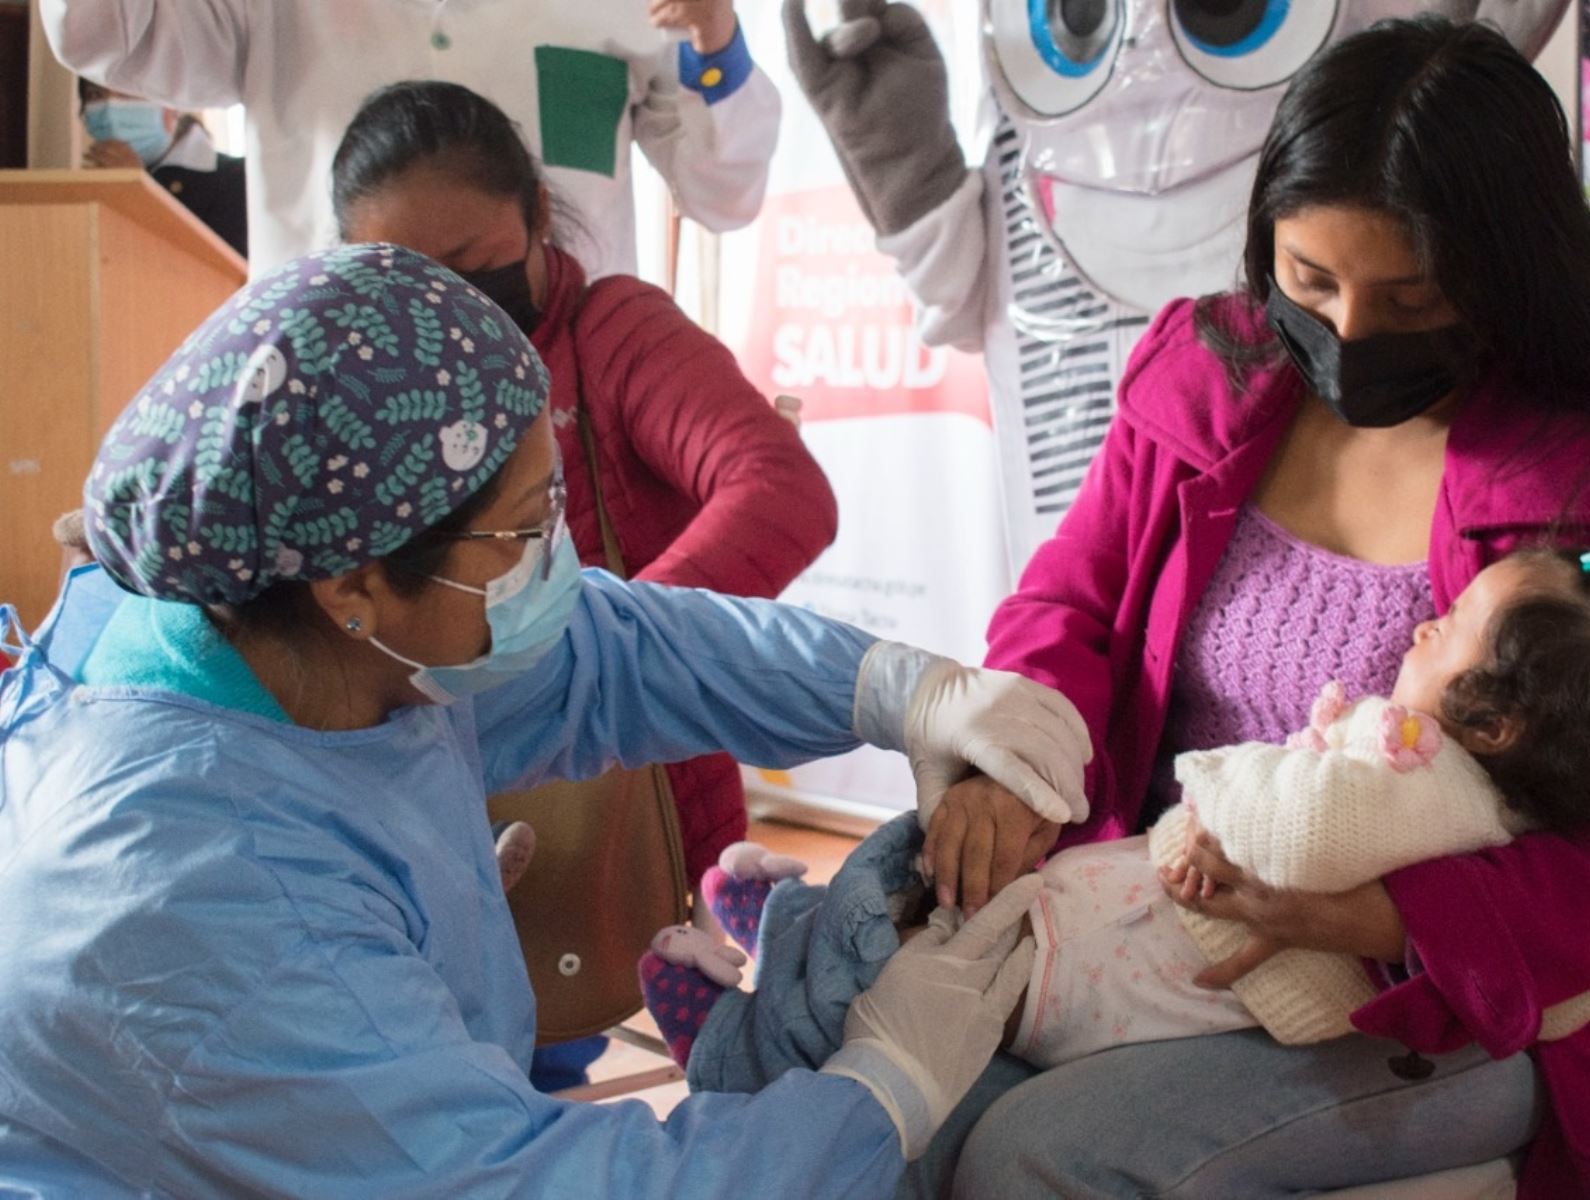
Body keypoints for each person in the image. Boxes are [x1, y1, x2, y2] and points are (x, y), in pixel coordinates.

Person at [0, 243, 1092, 1196]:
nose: (558, 564)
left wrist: (900, 690)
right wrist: (877, 1096)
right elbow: (520, 1186)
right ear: (356, 590)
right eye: (524, 533)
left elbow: (611, 657)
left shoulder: (296, 621)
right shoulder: (198, 899)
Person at [908, 16, 1590, 1199]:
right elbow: (1075, 603)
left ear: (1506, 274)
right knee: (916, 1101)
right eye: (1312, 281)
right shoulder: (1209, 373)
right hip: (1171, 932)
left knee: (1029, 1154)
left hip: (1446, 997)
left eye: (1411, 299)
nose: (1352, 335)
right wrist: (1016, 760)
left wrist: (1382, 916)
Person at [643, 473, 1590, 1080]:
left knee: (924, 952)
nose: (1426, 621)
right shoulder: (1466, 789)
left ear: (1495, 720)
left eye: (1452, 632)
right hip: (1124, 924)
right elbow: (1069, 598)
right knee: (932, 909)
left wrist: (1221, 780)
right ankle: (785, 927)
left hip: (1113, 966)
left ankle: (747, 1019)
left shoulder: (1421, 772)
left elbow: (1295, 831)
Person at [330, 78, 836, 903]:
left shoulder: (616, 334)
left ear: (535, 213)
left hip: (625, 806)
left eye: (468, 267)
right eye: (408, 284)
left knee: (664, 993)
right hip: (433, 807)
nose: (447, 309)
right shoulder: (358, 392)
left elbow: (783, 490)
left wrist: (613, 655)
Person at [42, 0, 778, 277]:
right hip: (330, 387)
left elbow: (725, 194)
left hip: (555, 393)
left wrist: (716, 39)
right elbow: (99, 30)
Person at [77, 78, 248, 255]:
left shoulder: (236, 179)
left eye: (130, 92)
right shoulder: (85, 188)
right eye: (95, 94)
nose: (110, 109)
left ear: (172, 105)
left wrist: (137, 191)